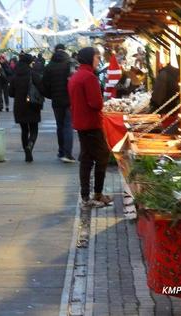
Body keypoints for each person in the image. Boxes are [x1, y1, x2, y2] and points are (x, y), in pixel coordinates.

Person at [68, 47, 112, 209]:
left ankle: (87, 196)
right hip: (91, 124)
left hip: (81, 123)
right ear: (89, 58)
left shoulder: (76, 76)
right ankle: (95, 194)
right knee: (102, 157)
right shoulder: (89, 78)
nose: (98, 59)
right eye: (96, 56)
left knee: (86, 159)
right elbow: (96, 103)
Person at [43, 43, 76, 163]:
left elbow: (44, 84)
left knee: (60, 126)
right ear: (65, 50)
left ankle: (61, 151)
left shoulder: (50, 66)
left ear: (55, 51)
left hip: (56, 100)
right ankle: (68, 153)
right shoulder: (70, 63)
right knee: (68, 125)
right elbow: (75, 80)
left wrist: (50, 95)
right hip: (69, 99)